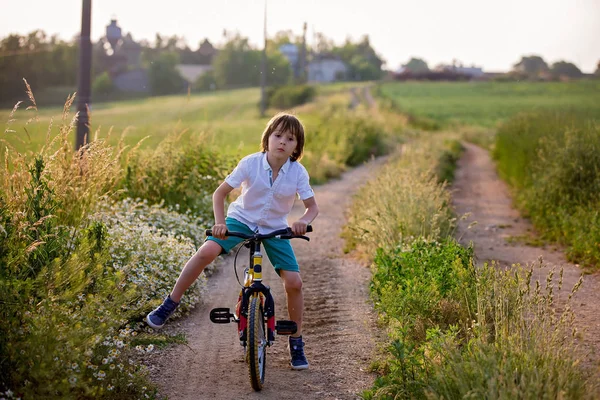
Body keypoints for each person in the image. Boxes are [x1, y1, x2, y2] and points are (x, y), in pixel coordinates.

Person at [146, 112, 319, 370]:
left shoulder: (297, 172)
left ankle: (296, 341)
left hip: (275, 227)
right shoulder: (250, 163)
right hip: (241, 219)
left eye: (290, 138)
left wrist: (302, 221)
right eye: (278, 135)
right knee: (206, 252)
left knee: (294, 283)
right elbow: (220, 193)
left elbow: (312, 207)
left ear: (297, 146)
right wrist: (220, 223)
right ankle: (170, 303)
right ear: (267, 138)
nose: (282, 142)